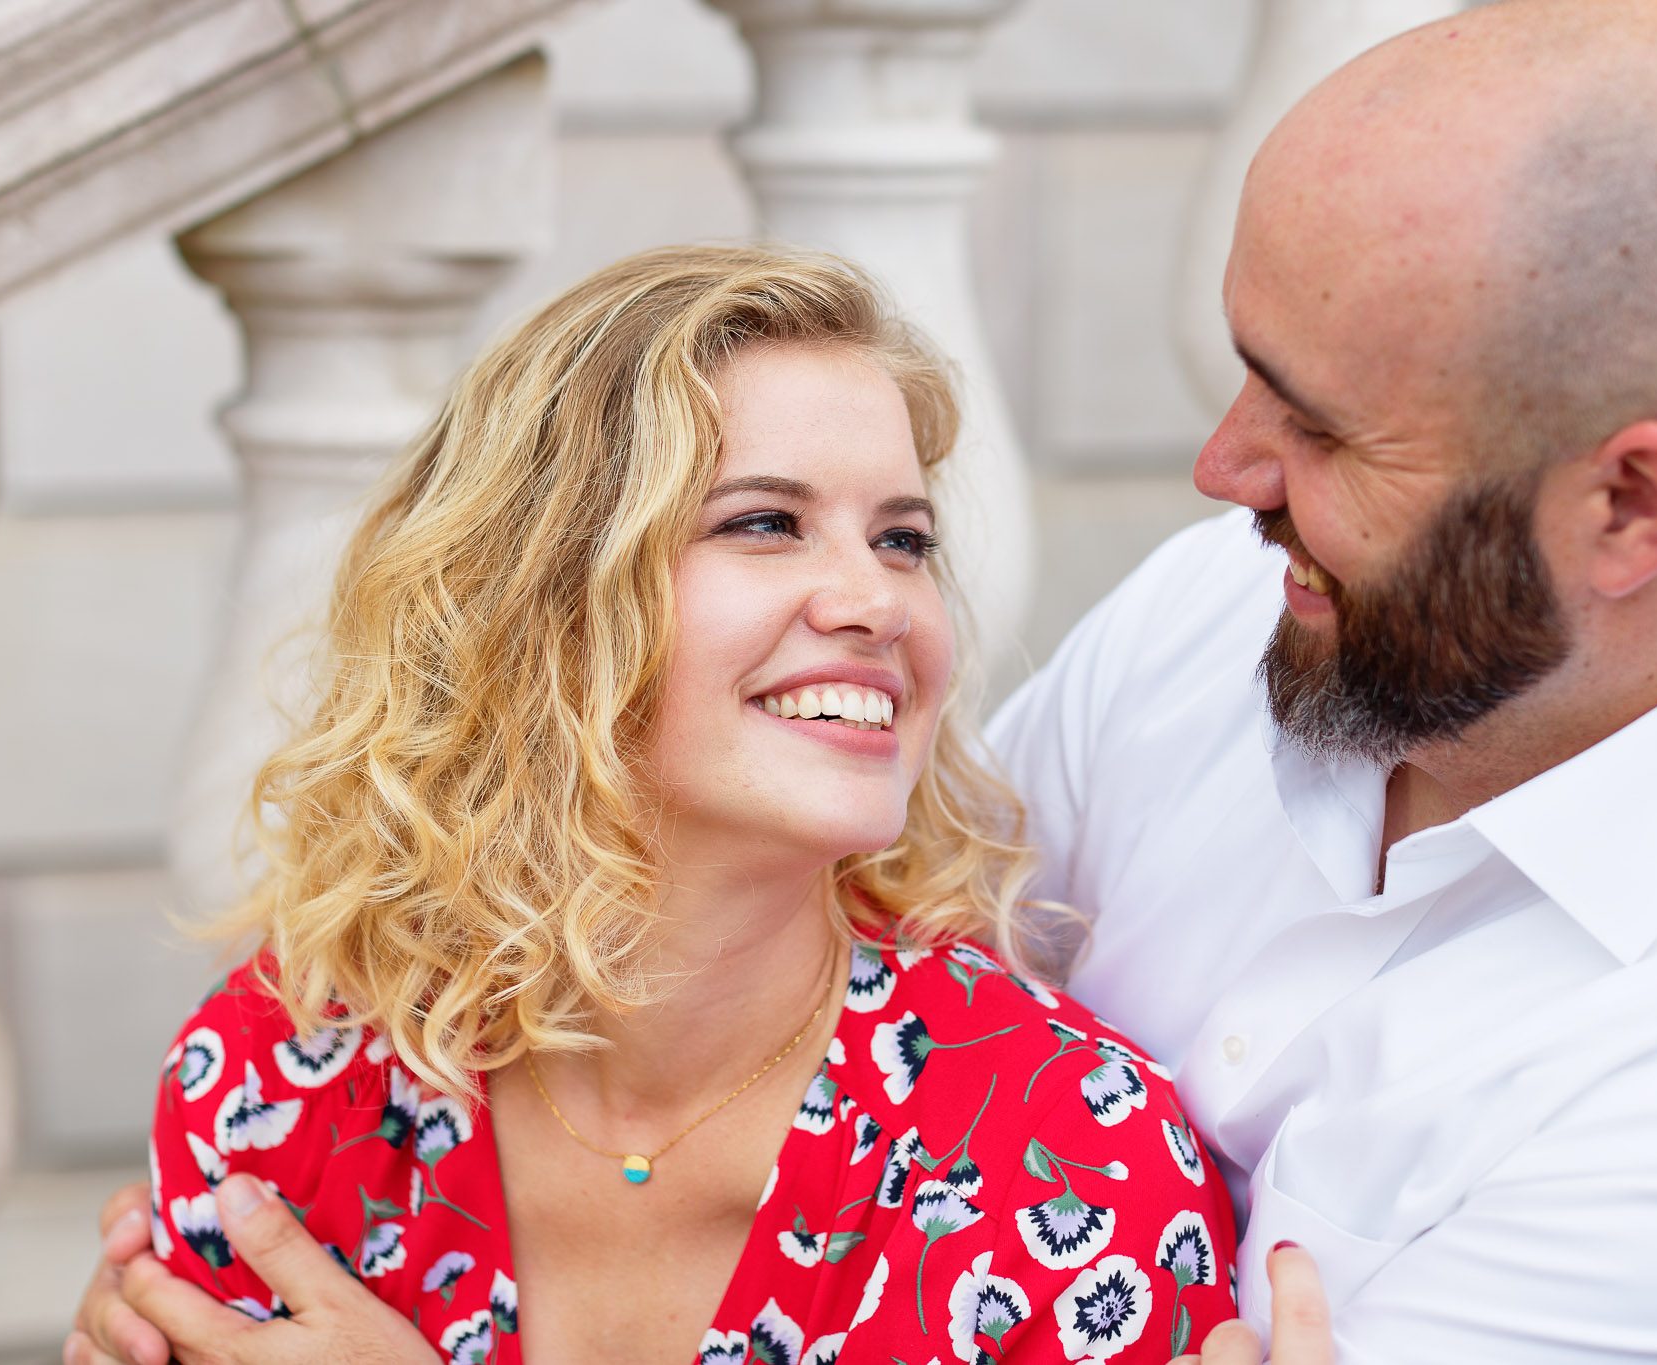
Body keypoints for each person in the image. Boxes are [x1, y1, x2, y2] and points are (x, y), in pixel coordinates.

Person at [74, 1, 1657, 1361]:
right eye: (762, 523)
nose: (1219, 470)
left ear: (1629, 506)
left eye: (1319, 425)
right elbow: (854, 933)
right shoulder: (1226, 621)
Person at [71, 243, 1238, 1365]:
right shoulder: (289, 1071)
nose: (876, 601)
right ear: (541, 602)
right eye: (764, 522)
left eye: (902, 539)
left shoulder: (1063, 1159)